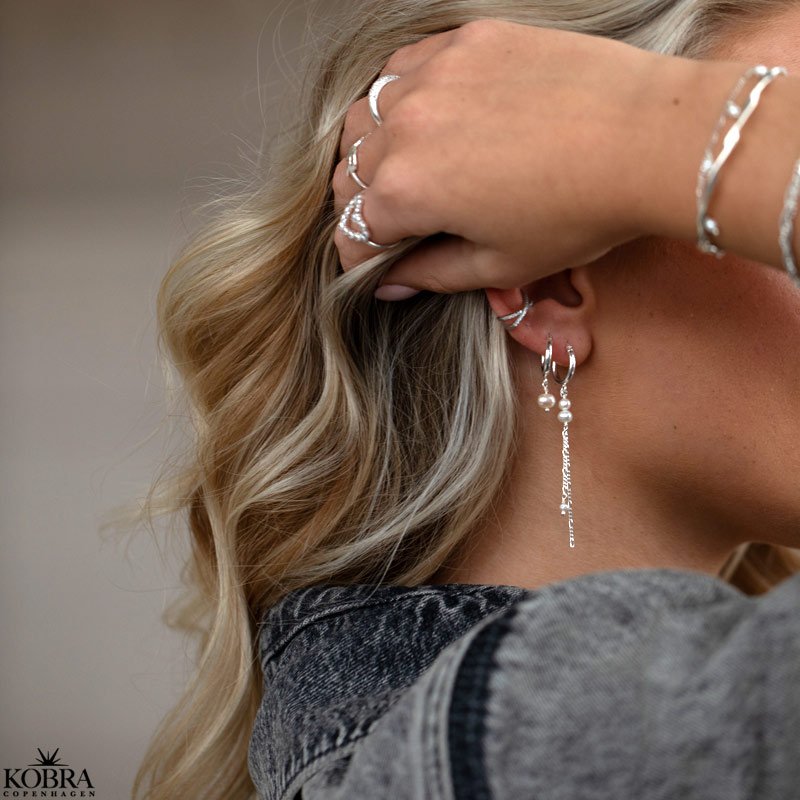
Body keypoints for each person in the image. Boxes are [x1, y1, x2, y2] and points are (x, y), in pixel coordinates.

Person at [131, 1, 800, 799]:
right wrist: (657, 134)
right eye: (756, 186)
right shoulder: (562, 741)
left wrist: (655, 131)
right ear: (552, 287)